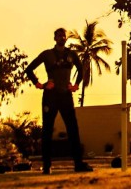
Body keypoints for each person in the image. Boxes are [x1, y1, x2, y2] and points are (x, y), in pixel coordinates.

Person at [24, 28, 93, 174]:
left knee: (73, 129)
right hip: (50, 96)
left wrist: (75, 85)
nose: (61, 37)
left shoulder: (72, 54)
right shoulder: (47, 54)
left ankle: (78, 164)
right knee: (47, 131)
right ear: (54, 38)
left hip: (66, 96)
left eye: (63, 35)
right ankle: (47, 166)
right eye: (59, 35)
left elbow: (81, 70)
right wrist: (40, 85)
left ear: (66, 38)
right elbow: (29, 69)